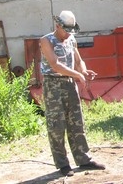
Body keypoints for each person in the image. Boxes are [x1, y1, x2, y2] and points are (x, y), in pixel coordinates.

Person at [40, 10, 106, 177]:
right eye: (66, 30)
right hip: (53, 84)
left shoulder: (71, 40)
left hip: (69, 83)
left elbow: (78, 61)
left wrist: (84, 71)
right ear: (57, 26)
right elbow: (55, 65)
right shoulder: (46, 40)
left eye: (71, 31)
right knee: (57, 125)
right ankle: (62, 164)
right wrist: (77, 75)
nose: (68, 34)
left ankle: (83, 159)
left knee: (76, 122)